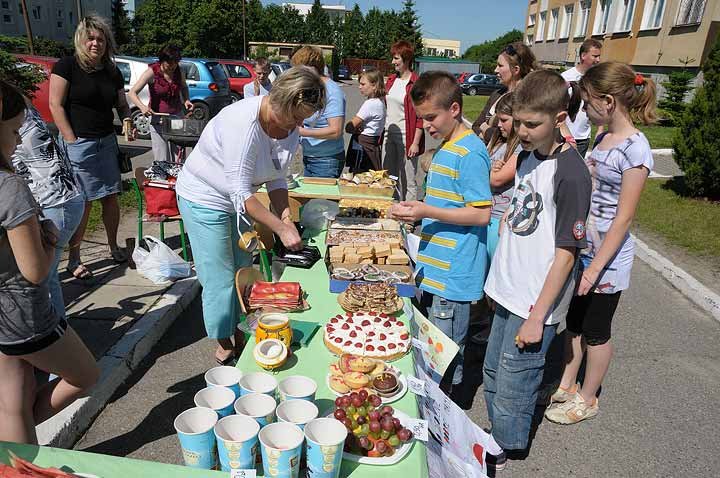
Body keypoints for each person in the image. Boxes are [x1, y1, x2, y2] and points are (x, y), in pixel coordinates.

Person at [175, 67, 326, 365]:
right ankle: (224, 342)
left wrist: (284, 219)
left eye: (303, 119)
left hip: (237, 201)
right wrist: (281, 230)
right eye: (296, 117)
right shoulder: (241, 123)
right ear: (281, 100)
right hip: (205, 197)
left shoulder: (289, 126)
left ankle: (243, 330)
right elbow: (242, 193)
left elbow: (278, 179)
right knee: (219, 276)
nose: (299, 125)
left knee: (244, 267)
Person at [481, 69, 591, 469]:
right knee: (494, 370)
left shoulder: (571, 173)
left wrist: (537, 316)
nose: (522, 132)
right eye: (519, 122)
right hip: (508, 291)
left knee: (516, 381)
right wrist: (497, 287)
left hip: (534, 304)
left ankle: (506, 448)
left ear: (560, 119)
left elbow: (565, 252)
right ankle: (497, 433)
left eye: (532, 124)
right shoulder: (527, 156)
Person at [544, 62, 656, 425]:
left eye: (588, 101)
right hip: (585, 250)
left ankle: (588, 398)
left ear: (608, 101)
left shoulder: (637, 150)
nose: (584, 109)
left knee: (596, 331)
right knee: (573, 323)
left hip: (608, 260)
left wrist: (594, 268)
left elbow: (623, 218)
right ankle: (568, 383)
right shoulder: (602, 136)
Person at [0, 80, 99, 445]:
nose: (17, 141)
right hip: (25, 315)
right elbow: (36, 271)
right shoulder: (9, 187)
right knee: (85, 374)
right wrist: (47, 239)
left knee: (12, 399)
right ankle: (17, 445)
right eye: (13, 130)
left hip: (1, 319)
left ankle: (17, 461)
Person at [388, 71, 491, 397]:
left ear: (455, 109)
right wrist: (417, 207)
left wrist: (426, 211)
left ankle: (447, 409)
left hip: (454, 274)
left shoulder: (469, 152)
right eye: (422, 118)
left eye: (431, 117)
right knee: (432, 347)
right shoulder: (448, 146)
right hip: (435, 268)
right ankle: (434, 401)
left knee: (444, 352)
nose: (427, 126)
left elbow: (481, 213)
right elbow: (447, 201)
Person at [49, 15, 134, 282]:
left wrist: (128, 118)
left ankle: (113, 246)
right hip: (79, 143)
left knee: (111, 196)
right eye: (91, 38)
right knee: (82, 203)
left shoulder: (111, 71)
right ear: (81, 40)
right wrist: (70, 139)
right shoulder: (67, 66)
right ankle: (74, 258)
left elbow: (121, 102)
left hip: (106, 141)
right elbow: (55, 105)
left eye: (101, 39)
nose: (95, 43)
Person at [12, 103, 84, 317]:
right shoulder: (22, 111)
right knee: (46, 277)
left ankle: (57, 339)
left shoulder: (12, 126)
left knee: (44, 279)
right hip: (62, 200)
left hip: (55, 203)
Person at [127, 44, 194, 163]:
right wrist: (142, 107)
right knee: (161, 159)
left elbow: (183, 87)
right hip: (158, 119)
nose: (173, 66)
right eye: (169, 63)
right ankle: (162, 179)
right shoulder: (152, 72)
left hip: (176, 118)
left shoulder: (180, 71)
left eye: (175, 63)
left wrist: (187, 100)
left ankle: (178, 180)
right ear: (162, 60)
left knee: (179, 158)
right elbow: (132, 93)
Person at [291, 46, 346, 178]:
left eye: (299, 69)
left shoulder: (332, 91)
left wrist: (301, 131)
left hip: (326, 161)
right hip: (310, 157)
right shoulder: (311, 88)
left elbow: (336, 131)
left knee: (321, 199)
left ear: (312, 68)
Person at [384, 40, 425, 200]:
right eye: (393, 58)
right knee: (389, 176)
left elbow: (420, 116)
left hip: (407, 136)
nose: (393, 62)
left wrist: (415, 142)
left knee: (407, 177)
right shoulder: (391, 80)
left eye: (396, 58)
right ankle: (392, 209)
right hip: (388, 134)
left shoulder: (416, 83)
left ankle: (409, 216)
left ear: (406, 59)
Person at [472, 42, 538, 141]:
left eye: (500, 66)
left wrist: (485, 130)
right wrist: (491, 132)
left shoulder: (525, 99)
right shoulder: (497, 94)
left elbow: (512, 137)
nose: (495, 70)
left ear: (516, 69)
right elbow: (476, 126)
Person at [484, 93, 522, 259]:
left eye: (504, 120)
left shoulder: (520, 147)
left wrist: (489, 172)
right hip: (485, 215)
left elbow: (497, 179)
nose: (499, 125)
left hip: (499, 219)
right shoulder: (498, 141)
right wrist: (490, 170)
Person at [561, 39, 603, 157]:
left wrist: (600, 128)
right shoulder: (566, 77)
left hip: (583, 138)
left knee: (577, 173)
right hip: (565, 136)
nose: (598, 60)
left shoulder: (597, 79)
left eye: (599, 56)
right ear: (583, 55)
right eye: (595, 56)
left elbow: (599, 104)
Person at [345, 67, 386, 173]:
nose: (359, 87)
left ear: (374, 85)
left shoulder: (370, 104)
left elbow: (350, 127)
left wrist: (351, 127)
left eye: (363, 84)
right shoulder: (381, 102)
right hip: (373, 144)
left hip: (363, 145)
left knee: (359, 175)